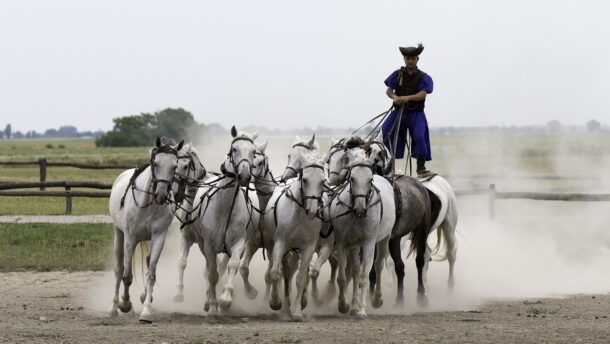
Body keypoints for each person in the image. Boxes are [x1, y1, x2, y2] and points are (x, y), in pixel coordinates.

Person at [381, 43, 434, 177]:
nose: (410, 61)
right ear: (404, 59)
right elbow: (389, 91)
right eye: (407, 58)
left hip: (416, 114)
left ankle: (421, 168)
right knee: (386, 131)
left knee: (420, 136)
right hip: (399, 113)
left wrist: (407, 98)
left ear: (417, 60)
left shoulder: (424, 77)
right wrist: (395, 97)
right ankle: (387, 164)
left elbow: (423, 94)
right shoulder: (397, 74)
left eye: (413, 58)